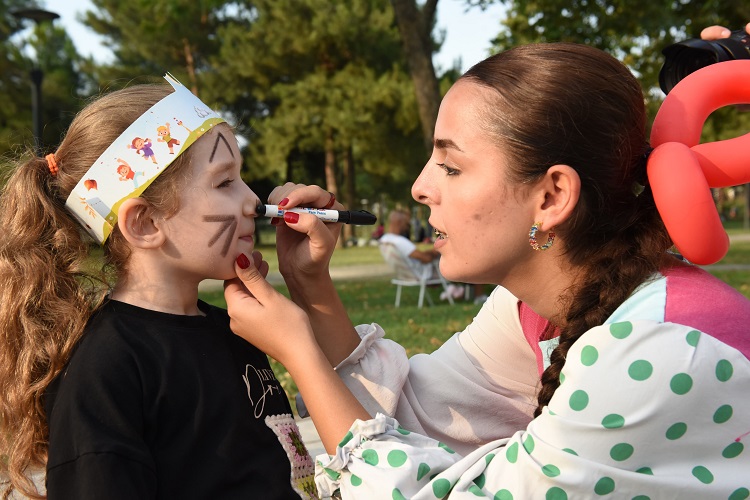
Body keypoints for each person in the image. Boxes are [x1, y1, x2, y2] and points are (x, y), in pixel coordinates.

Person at [225, 41, 750, 498]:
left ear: (551, 196)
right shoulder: (535, 306)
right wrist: (311, 283)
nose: (420, 187)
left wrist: (303, 355)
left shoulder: (658, 352)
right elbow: (410, 417)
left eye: (451, 167)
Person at [0, 77, 314, 499]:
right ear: (145, 224)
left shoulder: (236, 326)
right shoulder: (106, 372)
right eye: (225, 182)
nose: (253, 200)